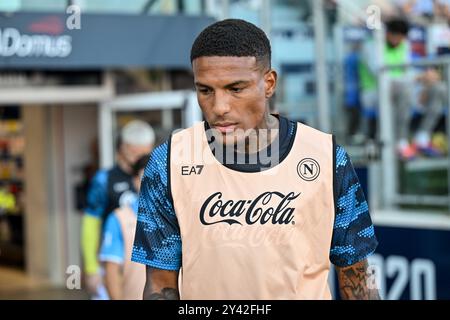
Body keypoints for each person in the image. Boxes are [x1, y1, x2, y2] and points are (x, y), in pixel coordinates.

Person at [131, 19, 379, 300]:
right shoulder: (169, 162)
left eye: (236, 89)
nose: (219, 107)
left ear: (269, 83)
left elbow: (357, 278)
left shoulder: (325, 156)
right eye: (205, 90)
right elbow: (160, 284)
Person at [81, 120, 154, 299]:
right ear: (122, 147)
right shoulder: (104, 179)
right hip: (113, 258)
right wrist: (91, 268)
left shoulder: (154, 175)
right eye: (134, 151)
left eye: (145, 151)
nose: (139, 157)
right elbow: (90, 223)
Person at [99, 154, 149, 300]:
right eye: (145, 177)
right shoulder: (118, 219)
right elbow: (112, 272)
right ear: (135, 181)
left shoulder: (179, 216)